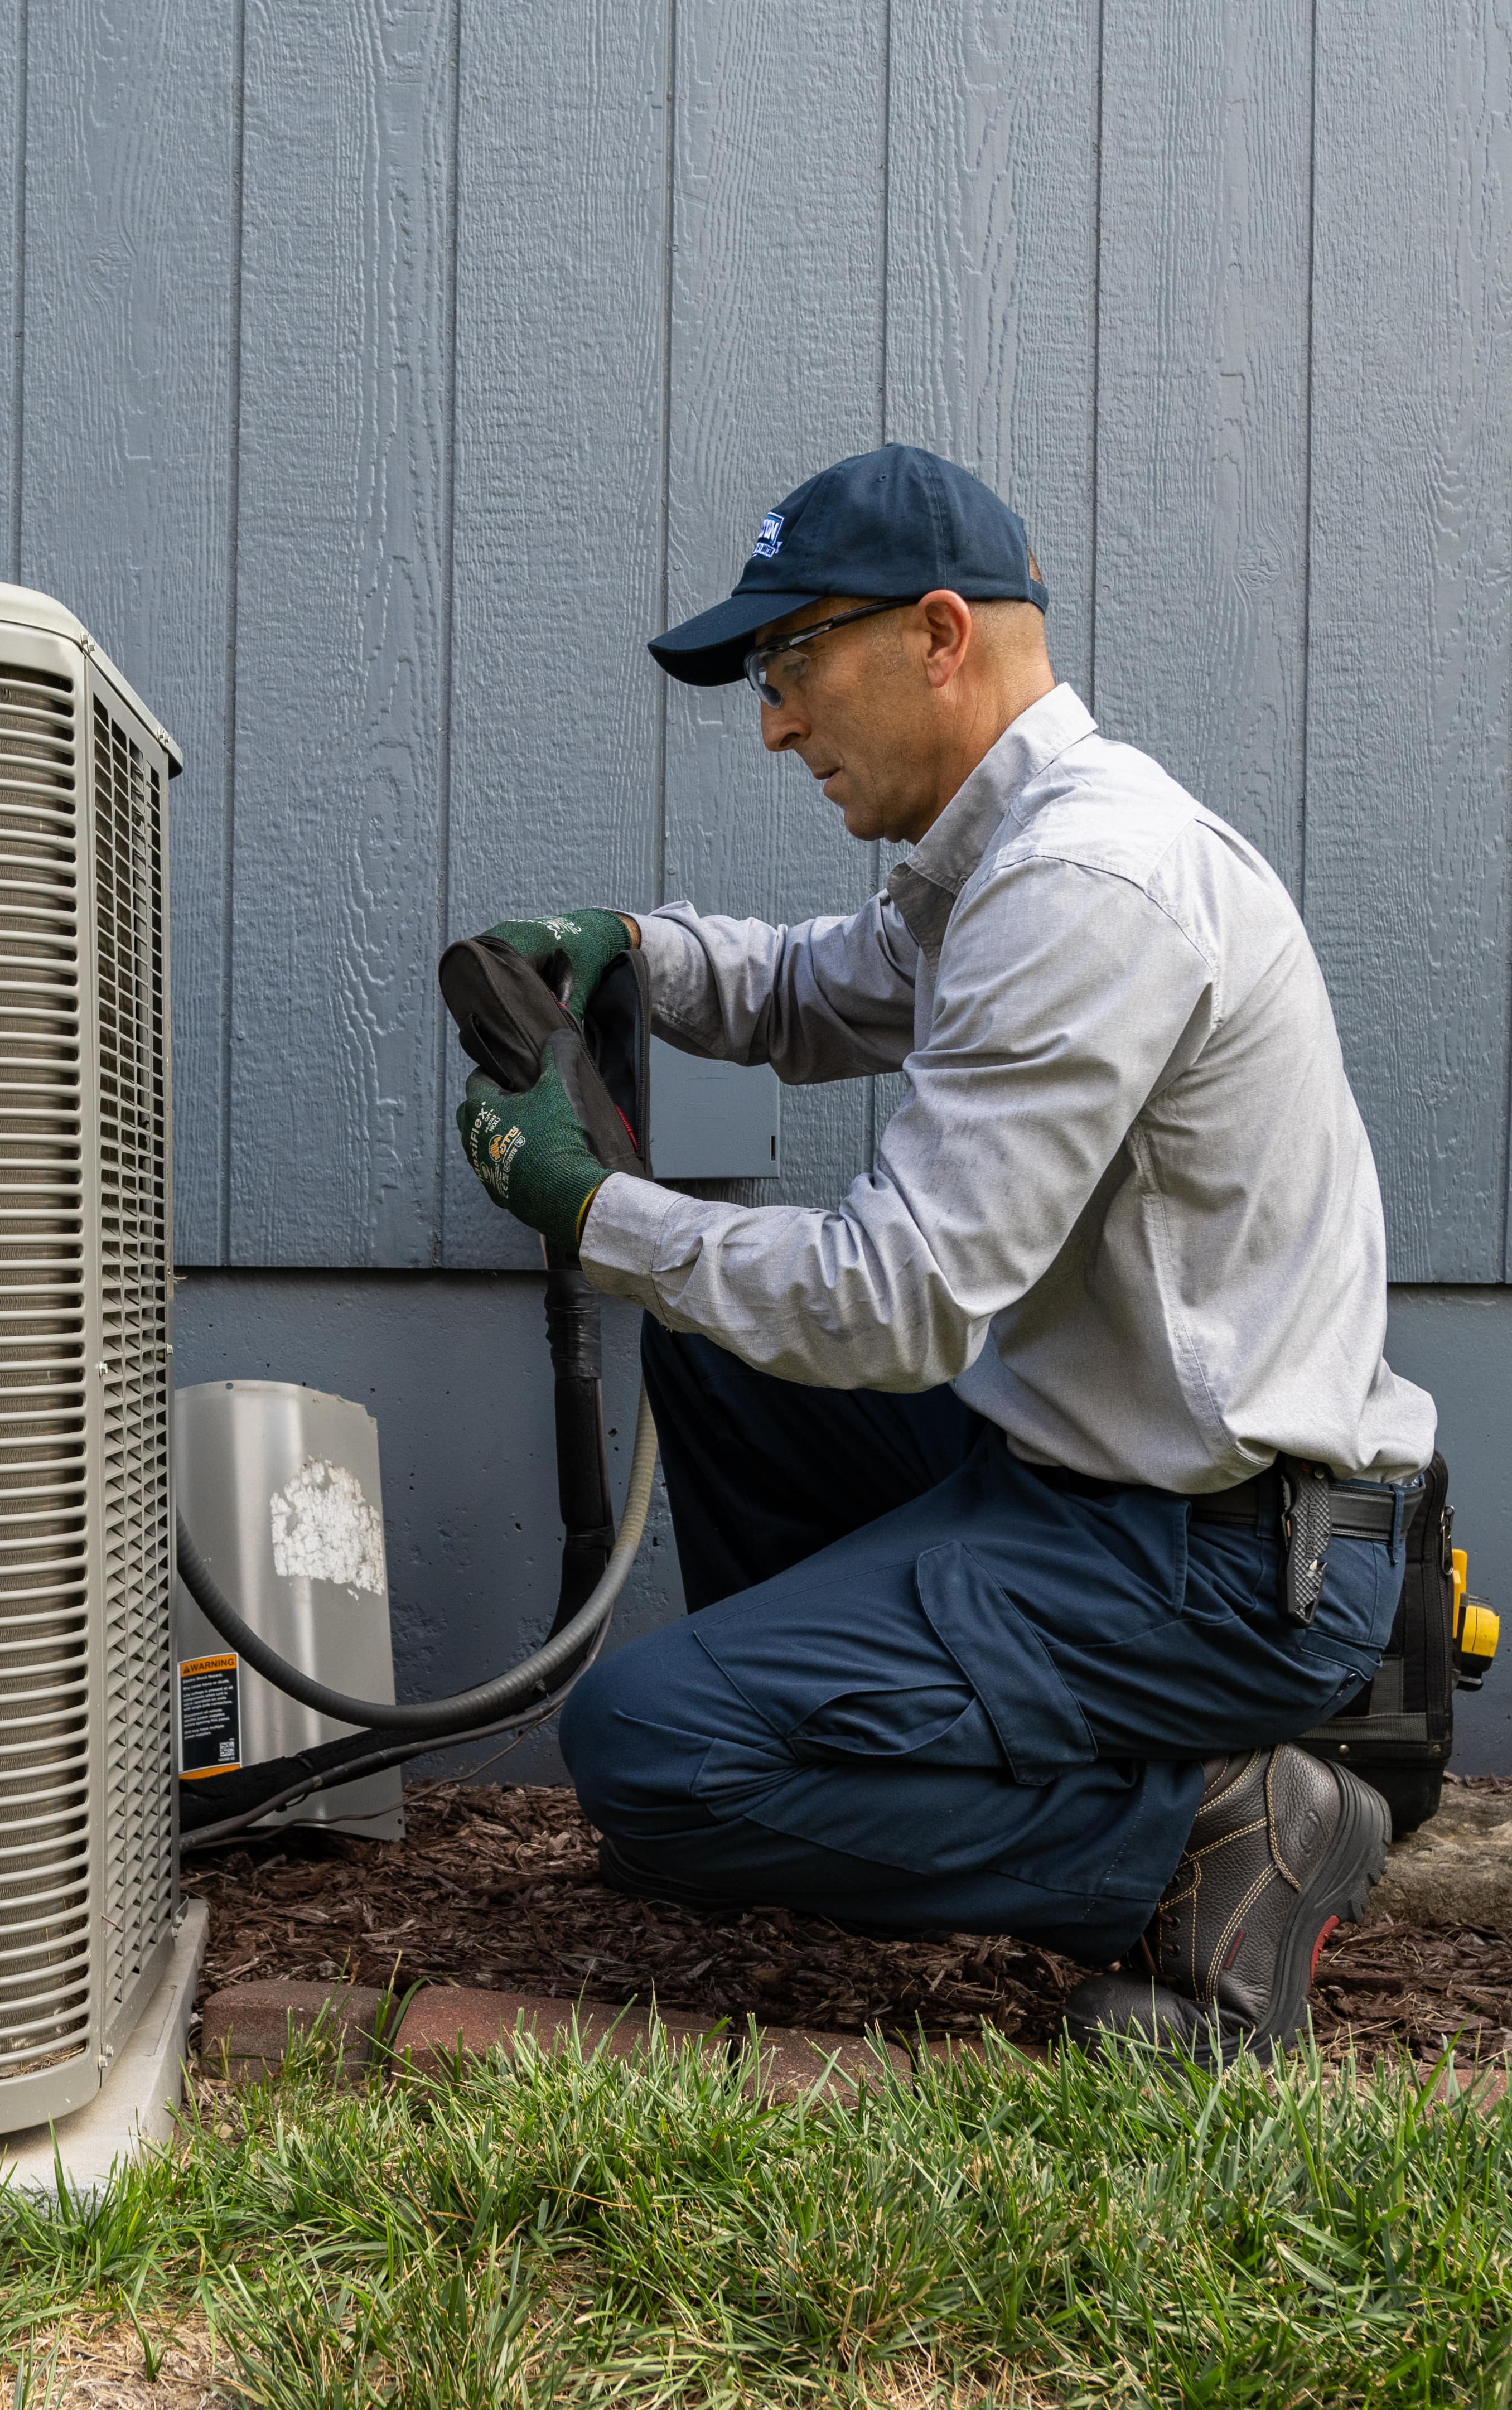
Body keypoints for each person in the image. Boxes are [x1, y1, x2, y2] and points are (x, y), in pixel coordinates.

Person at [455, 443, 1435, 2056]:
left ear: (935, 635)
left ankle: (1208, 1842)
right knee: (716, 1343)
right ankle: (882, 1756)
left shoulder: (1086, 887)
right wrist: (630, 949)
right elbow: (824, 985)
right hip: (1110, 1484)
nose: (773, 723)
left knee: (645, 1757)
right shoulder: (1017, 850)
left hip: (1219, 1564)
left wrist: (592, 1209)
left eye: (788, 665)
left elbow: (899, 1305)